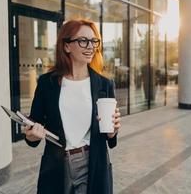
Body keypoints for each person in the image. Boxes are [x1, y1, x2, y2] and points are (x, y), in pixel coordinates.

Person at [24, 19, 121, 194]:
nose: (90, 46)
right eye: (83, 40)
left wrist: (112, 130)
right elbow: (33, 131)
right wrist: (32, 135)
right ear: (67, 46)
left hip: (92, 162)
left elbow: (110, 139)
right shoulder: (47, 83)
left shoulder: (104, 84)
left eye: (94, 41)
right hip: (56, 163)